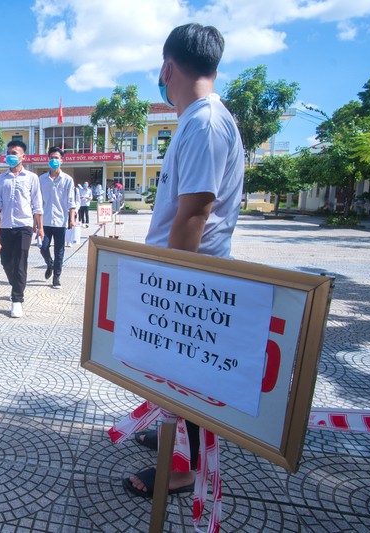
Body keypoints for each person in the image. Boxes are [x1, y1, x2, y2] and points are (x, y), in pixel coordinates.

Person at [123, 23, 244, 498]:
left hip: (191, 278)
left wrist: (171, 281)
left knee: (186, 373)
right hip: (185, 272)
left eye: (162, 71)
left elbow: (195, 210)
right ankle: (171, 435)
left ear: (168, 68)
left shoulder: (205, 122)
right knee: (173, 374)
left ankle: (183, 469)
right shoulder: (197, 120)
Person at [0, 140, 43, 318]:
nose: (11, 156)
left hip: (24, 226)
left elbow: (37, 204)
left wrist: (40, 227)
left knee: (20, 260)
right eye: (8, 152)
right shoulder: (0, 179)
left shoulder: (31, 178)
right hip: (6, 226)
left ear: (23, 156)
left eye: (14, 153)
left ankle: (17, 299)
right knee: (6, 262)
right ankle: (17, 285)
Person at [38, 146, 77, 289]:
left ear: (62, 160)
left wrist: (71, 219)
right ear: (48, 160)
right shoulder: (41, 179)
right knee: (43, 247)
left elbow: (71, 201)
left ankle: (56, 277)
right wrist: (37, 222)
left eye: (56, 158)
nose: (54, 160)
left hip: (61, 221)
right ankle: (50, 263)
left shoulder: (67, 180)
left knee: (59, 251)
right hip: (45, 220)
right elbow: (37, 202)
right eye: (52, 158)